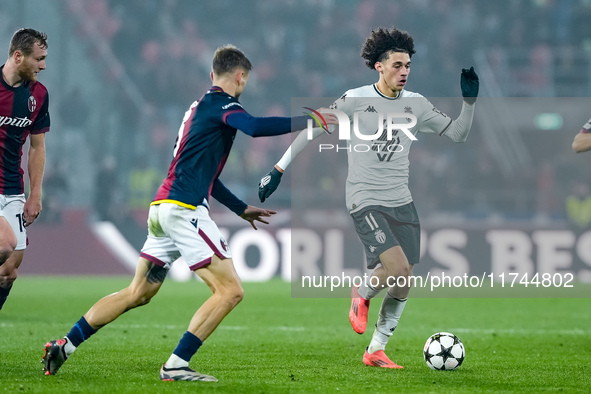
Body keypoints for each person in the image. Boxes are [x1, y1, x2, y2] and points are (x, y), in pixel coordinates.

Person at [42, 44, 336, 382]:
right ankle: (176, 365)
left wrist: (240, 208)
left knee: (138, 292)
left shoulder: (197, 109)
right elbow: (253, 127)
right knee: (230, 291)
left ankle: (65, 346)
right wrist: (307, 119)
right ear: (240, 77)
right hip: (183, 211)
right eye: (245, 80)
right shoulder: (223, 105)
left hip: (162, 208)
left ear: (212, 74)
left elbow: (203, 173)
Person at [258, 27, 479, 369]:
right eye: (397, 65)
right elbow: (313, 127)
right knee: (397, 268)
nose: (404, 71)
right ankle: (360, 294)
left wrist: (469, 103)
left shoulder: (416, 105)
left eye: (408, 65)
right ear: (379, 66)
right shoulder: (355, 100)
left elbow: (460, 134)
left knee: (404, 279)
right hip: (365, 198)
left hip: (401, 200)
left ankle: (376, 350)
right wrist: (278, 169)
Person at [0, 28, 49, 310]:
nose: (43, 65)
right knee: (4, 244)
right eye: (39, 59)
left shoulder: (38, 95)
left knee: (9, 272)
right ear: (18, 57)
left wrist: (35, 194)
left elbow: (37, 147)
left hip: (13, 189)